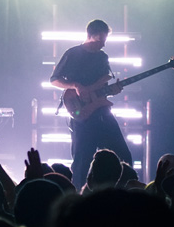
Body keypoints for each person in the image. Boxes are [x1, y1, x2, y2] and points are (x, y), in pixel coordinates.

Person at [49, 19, 132, 189]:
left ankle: (121, 194)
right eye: (101, 39)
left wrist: (113, 89)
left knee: (123, 156)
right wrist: (75, 85)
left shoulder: (102, 58)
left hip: (102, 111)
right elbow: (54, 79)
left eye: (105, 40)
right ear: (91, 35)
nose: (103, 44)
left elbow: (105, 82)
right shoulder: (72, 54)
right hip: (82, 115)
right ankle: (78, 197)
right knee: (81, 161)